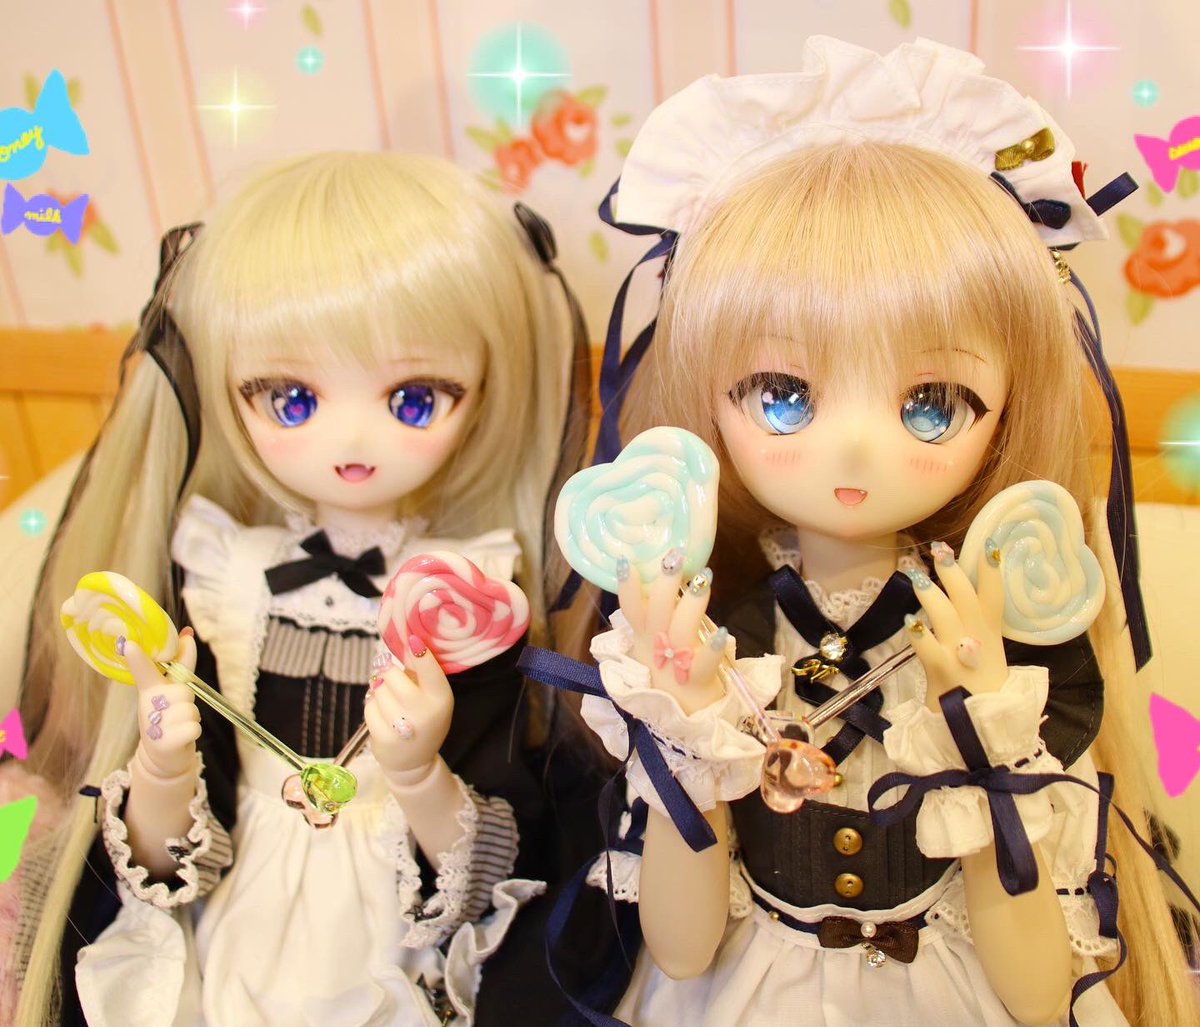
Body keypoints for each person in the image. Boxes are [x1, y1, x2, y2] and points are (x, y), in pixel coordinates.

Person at [573, 37, 1198, 1026]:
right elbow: (682, 954)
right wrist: (690, 727)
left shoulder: (1002, 655)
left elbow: (1040, 995)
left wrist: (982, 733)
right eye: (783, 396)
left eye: (931, 404)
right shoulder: (730, 634)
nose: (855, 450)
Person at [4, 151, 584, 1026]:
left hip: (394, 937)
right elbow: (165, 864)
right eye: (292, 399)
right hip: (246, 918)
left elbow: (494, 868)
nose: (351, 441)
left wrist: (417, 771)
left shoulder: (463, 594)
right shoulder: (224, 574)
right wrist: (161, 762)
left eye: (414, 399)